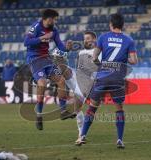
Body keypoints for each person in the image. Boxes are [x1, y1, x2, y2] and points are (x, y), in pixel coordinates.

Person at [76, 13, 138, 148]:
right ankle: (120, 140)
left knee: (92, 106)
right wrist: (123, 58)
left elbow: (94, 56)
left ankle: (82, 136)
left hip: (102, 76)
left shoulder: (104, 37)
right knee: (119, 108)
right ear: (122, 25)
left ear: (111, 24)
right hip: (117, 78)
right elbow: (134, 61)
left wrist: (99, 63)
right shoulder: (129, 40)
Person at [24, 9, 75, 130]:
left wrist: (67, 48)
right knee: (42, 83)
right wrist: (42, 38)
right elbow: (26, 42)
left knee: (61, 80)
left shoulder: (54, 30)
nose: (55, 21)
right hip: (34, 59)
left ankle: (63, 111)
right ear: (46, 19)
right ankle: (39, 115)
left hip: (46, 59)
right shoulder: (36, 27)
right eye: (54, 19)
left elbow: (60, 46)